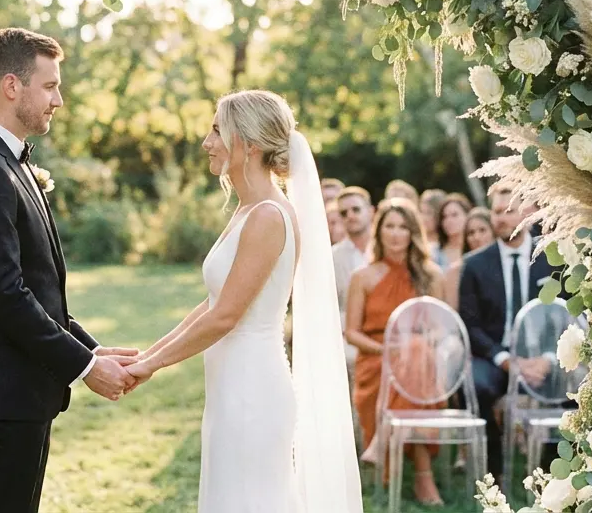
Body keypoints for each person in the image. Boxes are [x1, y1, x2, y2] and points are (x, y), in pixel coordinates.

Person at [124, 89, 362, 513]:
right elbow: (213, 303)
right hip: (230, 384)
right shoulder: (247, 210)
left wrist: (151, 366)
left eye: (217, 130)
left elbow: (225, 317)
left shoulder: (269, 216)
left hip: (253, 388)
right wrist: (147, 355)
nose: (206, 142)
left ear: (248, 144)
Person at [0, 28, 137, 513]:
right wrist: (85, 367)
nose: (59, 100)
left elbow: (37, 287)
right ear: (12, 86)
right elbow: (5, 294)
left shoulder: (10, 161)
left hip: (18, 390)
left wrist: (88, 345)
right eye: (49, 86)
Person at [345, 197, 446, 506]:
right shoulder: (361, 277)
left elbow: (441, 327)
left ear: (413, 232)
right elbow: (350, 332)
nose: (396, 233)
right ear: (379, 231)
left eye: (403, 227)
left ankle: (381, 441)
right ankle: (423, 478)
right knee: (411, 360)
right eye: (389, 226)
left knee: (416, 352)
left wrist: (413, 346)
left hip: (419, 361)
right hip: (375, 360)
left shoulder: (431, 276)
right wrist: (389, 350)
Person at [457, 182, 554, 477]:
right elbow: (470, 326)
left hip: (542, 360)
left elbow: (565, 318)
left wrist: (548, 358)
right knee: (473, 384)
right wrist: (506, 360)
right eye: (496, 212)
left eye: (509, 211)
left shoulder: (551, 258)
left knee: (572, 384)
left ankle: (550, 476)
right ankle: (494, 472)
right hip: (497, 360)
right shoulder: (474, 265)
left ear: (525, 212)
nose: (501, 218)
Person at [332, 186, 373, 376]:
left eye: (356, 209)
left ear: (370, 211)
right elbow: (330, 307)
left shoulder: (389, 248)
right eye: (344, 212)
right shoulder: (332, 258)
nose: (350, 215)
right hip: (347, 338)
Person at [432, 194, 472, 273]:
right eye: (444, 217)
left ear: (467, 215)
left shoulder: (475, 247)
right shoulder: (434, 253)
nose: (449, 221)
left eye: (454, 215)